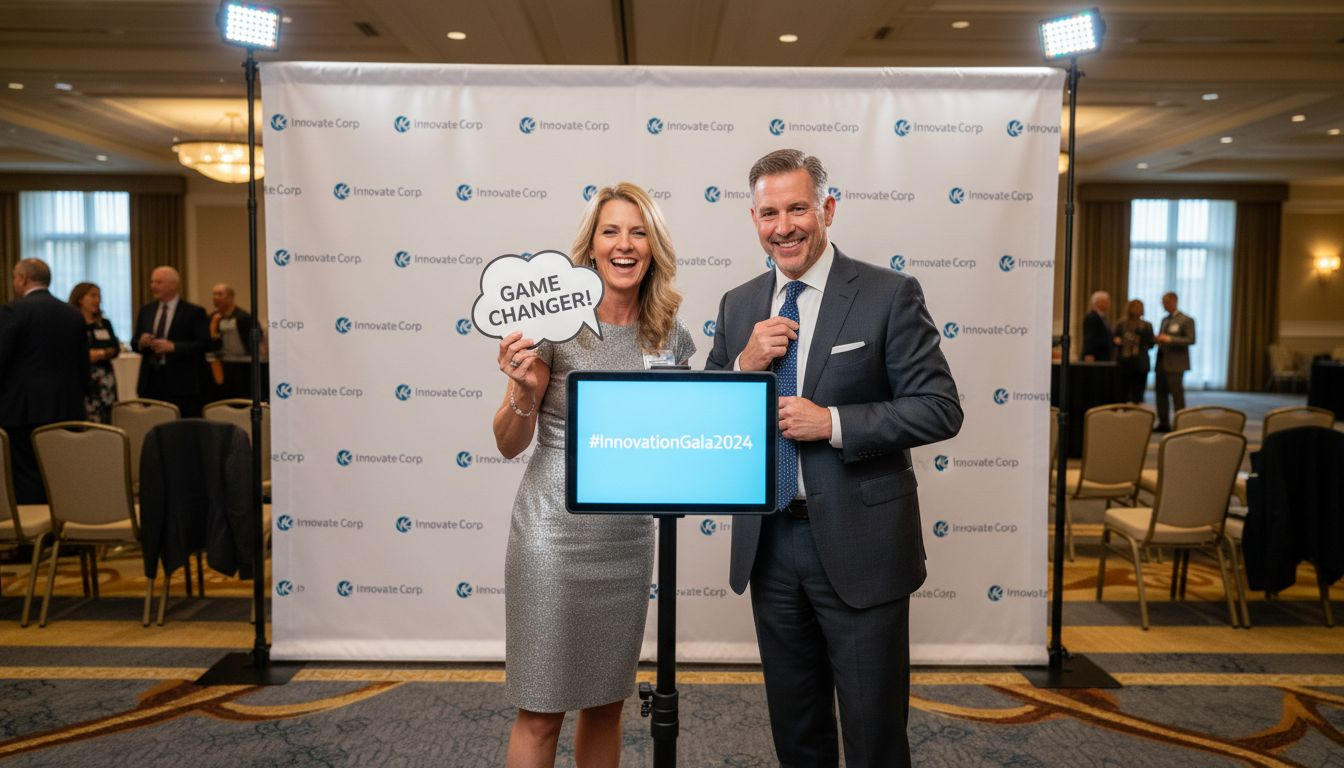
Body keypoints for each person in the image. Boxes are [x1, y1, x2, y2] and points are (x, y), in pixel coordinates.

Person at [705, 149, 962, 767]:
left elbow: (939, 408)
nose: (784, 227)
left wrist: (834, 424)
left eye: (798, 209)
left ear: (828, 209)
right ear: (753, 219)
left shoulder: (888, 294)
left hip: (861, 543)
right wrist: (744, 365)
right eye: (769, 213)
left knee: (874, 738)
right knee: (797, 734)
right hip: (769, 544)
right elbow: (710, 416)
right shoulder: (739, 304)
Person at [492, 183, 695, 768]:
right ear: (591, 246)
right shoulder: (552, 328)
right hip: (552, 536)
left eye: (638, 232)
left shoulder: (672, 335)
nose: (624, 244)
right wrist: (523, 392)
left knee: (606, 704)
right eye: (611, 231)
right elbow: (508, 443)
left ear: (654, 247)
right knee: (540, 711)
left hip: (626, 538)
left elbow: (674, 438)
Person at [0, 259, 88, 503]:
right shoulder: (73, 314)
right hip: (67, 407)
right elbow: (83, 366)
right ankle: (66, 520)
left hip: (23, 409)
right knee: (62, 470)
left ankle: (35, 526)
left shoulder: (13, 310)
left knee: (27, 476)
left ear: (23, 279)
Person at [133, 266, 210, 417]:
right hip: (150, 383)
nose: (153, 286)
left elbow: (205, 344)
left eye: (158, 282)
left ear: (173, 285)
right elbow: (134, 342)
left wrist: (174, 347)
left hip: (182, 385)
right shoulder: (146, 310)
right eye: (152, 282)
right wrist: (141, 343)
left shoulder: (194, 312)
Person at [69, 282, 120, 423]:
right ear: (80, 298)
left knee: (107, 419)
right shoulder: (71, 322)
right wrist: (88, 355)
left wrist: (100, 354)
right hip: (82, 379)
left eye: (99, 296)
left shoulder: (104, 323)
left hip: (105, 380)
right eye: (93, 296)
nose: (97, 300)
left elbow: (115, 348)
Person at [207, 282, 258, 400]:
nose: (215, 298)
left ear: (230, 297)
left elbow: (256, 340)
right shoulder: (212, 318)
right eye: (214, 294)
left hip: (243, 367)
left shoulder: (244, 317)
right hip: (221, 366)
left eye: (220, 294)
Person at [1154, 291, 1196, 432]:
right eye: (1162, 302)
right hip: (1161, 362)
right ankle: (1163, 423)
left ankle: (1180, 424)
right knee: (1160, 394)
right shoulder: (1164, 320)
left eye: (1165, 302)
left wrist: (1170, 339)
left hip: (1176, 364)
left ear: (1173, 301)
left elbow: (1191, 339)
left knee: (1177, 395)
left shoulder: (1186, 320)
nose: (1163, 305)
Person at [1112, 298, 1154, 405]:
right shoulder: (1121, 324)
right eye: (1135, 307)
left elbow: (1151, 344)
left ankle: (1137, 411)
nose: (1137, 310)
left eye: (1140, 307)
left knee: (1138, 393)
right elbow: (1113, 339)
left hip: (1141, 362)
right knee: (1123, 391)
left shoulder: (1147, 325)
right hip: (1124, 361)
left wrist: (1141, 339)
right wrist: (1117, 341)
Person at [1081, 290, 1112, 362]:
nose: (1108, 304)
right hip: (1095, 355)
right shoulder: (1091, 317)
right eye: (1106, 302)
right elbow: (1089, 336)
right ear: (1098, 303)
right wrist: (1088, 353)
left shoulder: (1102, 317)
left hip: (1103, 356)